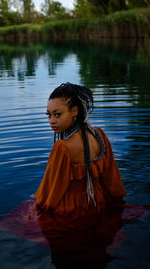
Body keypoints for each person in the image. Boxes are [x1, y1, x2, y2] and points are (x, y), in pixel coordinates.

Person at [35, 82, 126, 216]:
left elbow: (53, 190)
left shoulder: (63, 147)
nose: (51, 121)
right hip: (98, 202)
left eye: (57, 114)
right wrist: (118, 202)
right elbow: (112, 179)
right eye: (49, 115)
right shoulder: (99, 135)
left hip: (71, 208)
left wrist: (40, 208)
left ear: (75, 111)